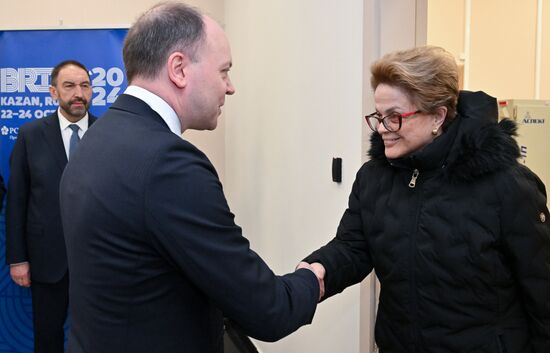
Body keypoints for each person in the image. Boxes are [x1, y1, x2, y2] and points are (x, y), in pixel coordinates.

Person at [59, 3, 321, 353]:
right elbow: (267, 310)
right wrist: (313, 278)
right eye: (224, 71)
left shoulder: (99, 136)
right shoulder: (168, 164)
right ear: (179, 69)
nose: (230, 88)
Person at [299, 46, 550, 353]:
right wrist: (317, 269)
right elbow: (354, 246)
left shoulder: (506, 186)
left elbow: (542, 293)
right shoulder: (374, 178)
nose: (381, 128)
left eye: (395, 117)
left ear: (437, 116)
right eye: (379, 116)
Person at [5, 59, 96, 353]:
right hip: (47, 259)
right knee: (47, 336)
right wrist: (18, 259)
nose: (78, 93)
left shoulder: (108, 132)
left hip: (100, 259)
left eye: (84, 85)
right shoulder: (30, 135)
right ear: (53, 92)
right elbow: (17, 200)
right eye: (69, 86)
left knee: (99, 336)